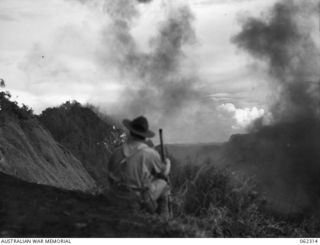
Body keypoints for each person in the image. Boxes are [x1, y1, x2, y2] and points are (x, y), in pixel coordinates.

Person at [107, 116, 172, 218]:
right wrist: (168, 164)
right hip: (134, 200)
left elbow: (110, 176)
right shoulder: (150, 154)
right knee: (163, 184)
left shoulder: (116, 152)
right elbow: (163, 174)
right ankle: (164, 220)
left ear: (130, 132)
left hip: (114, 196)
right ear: (145, 136)